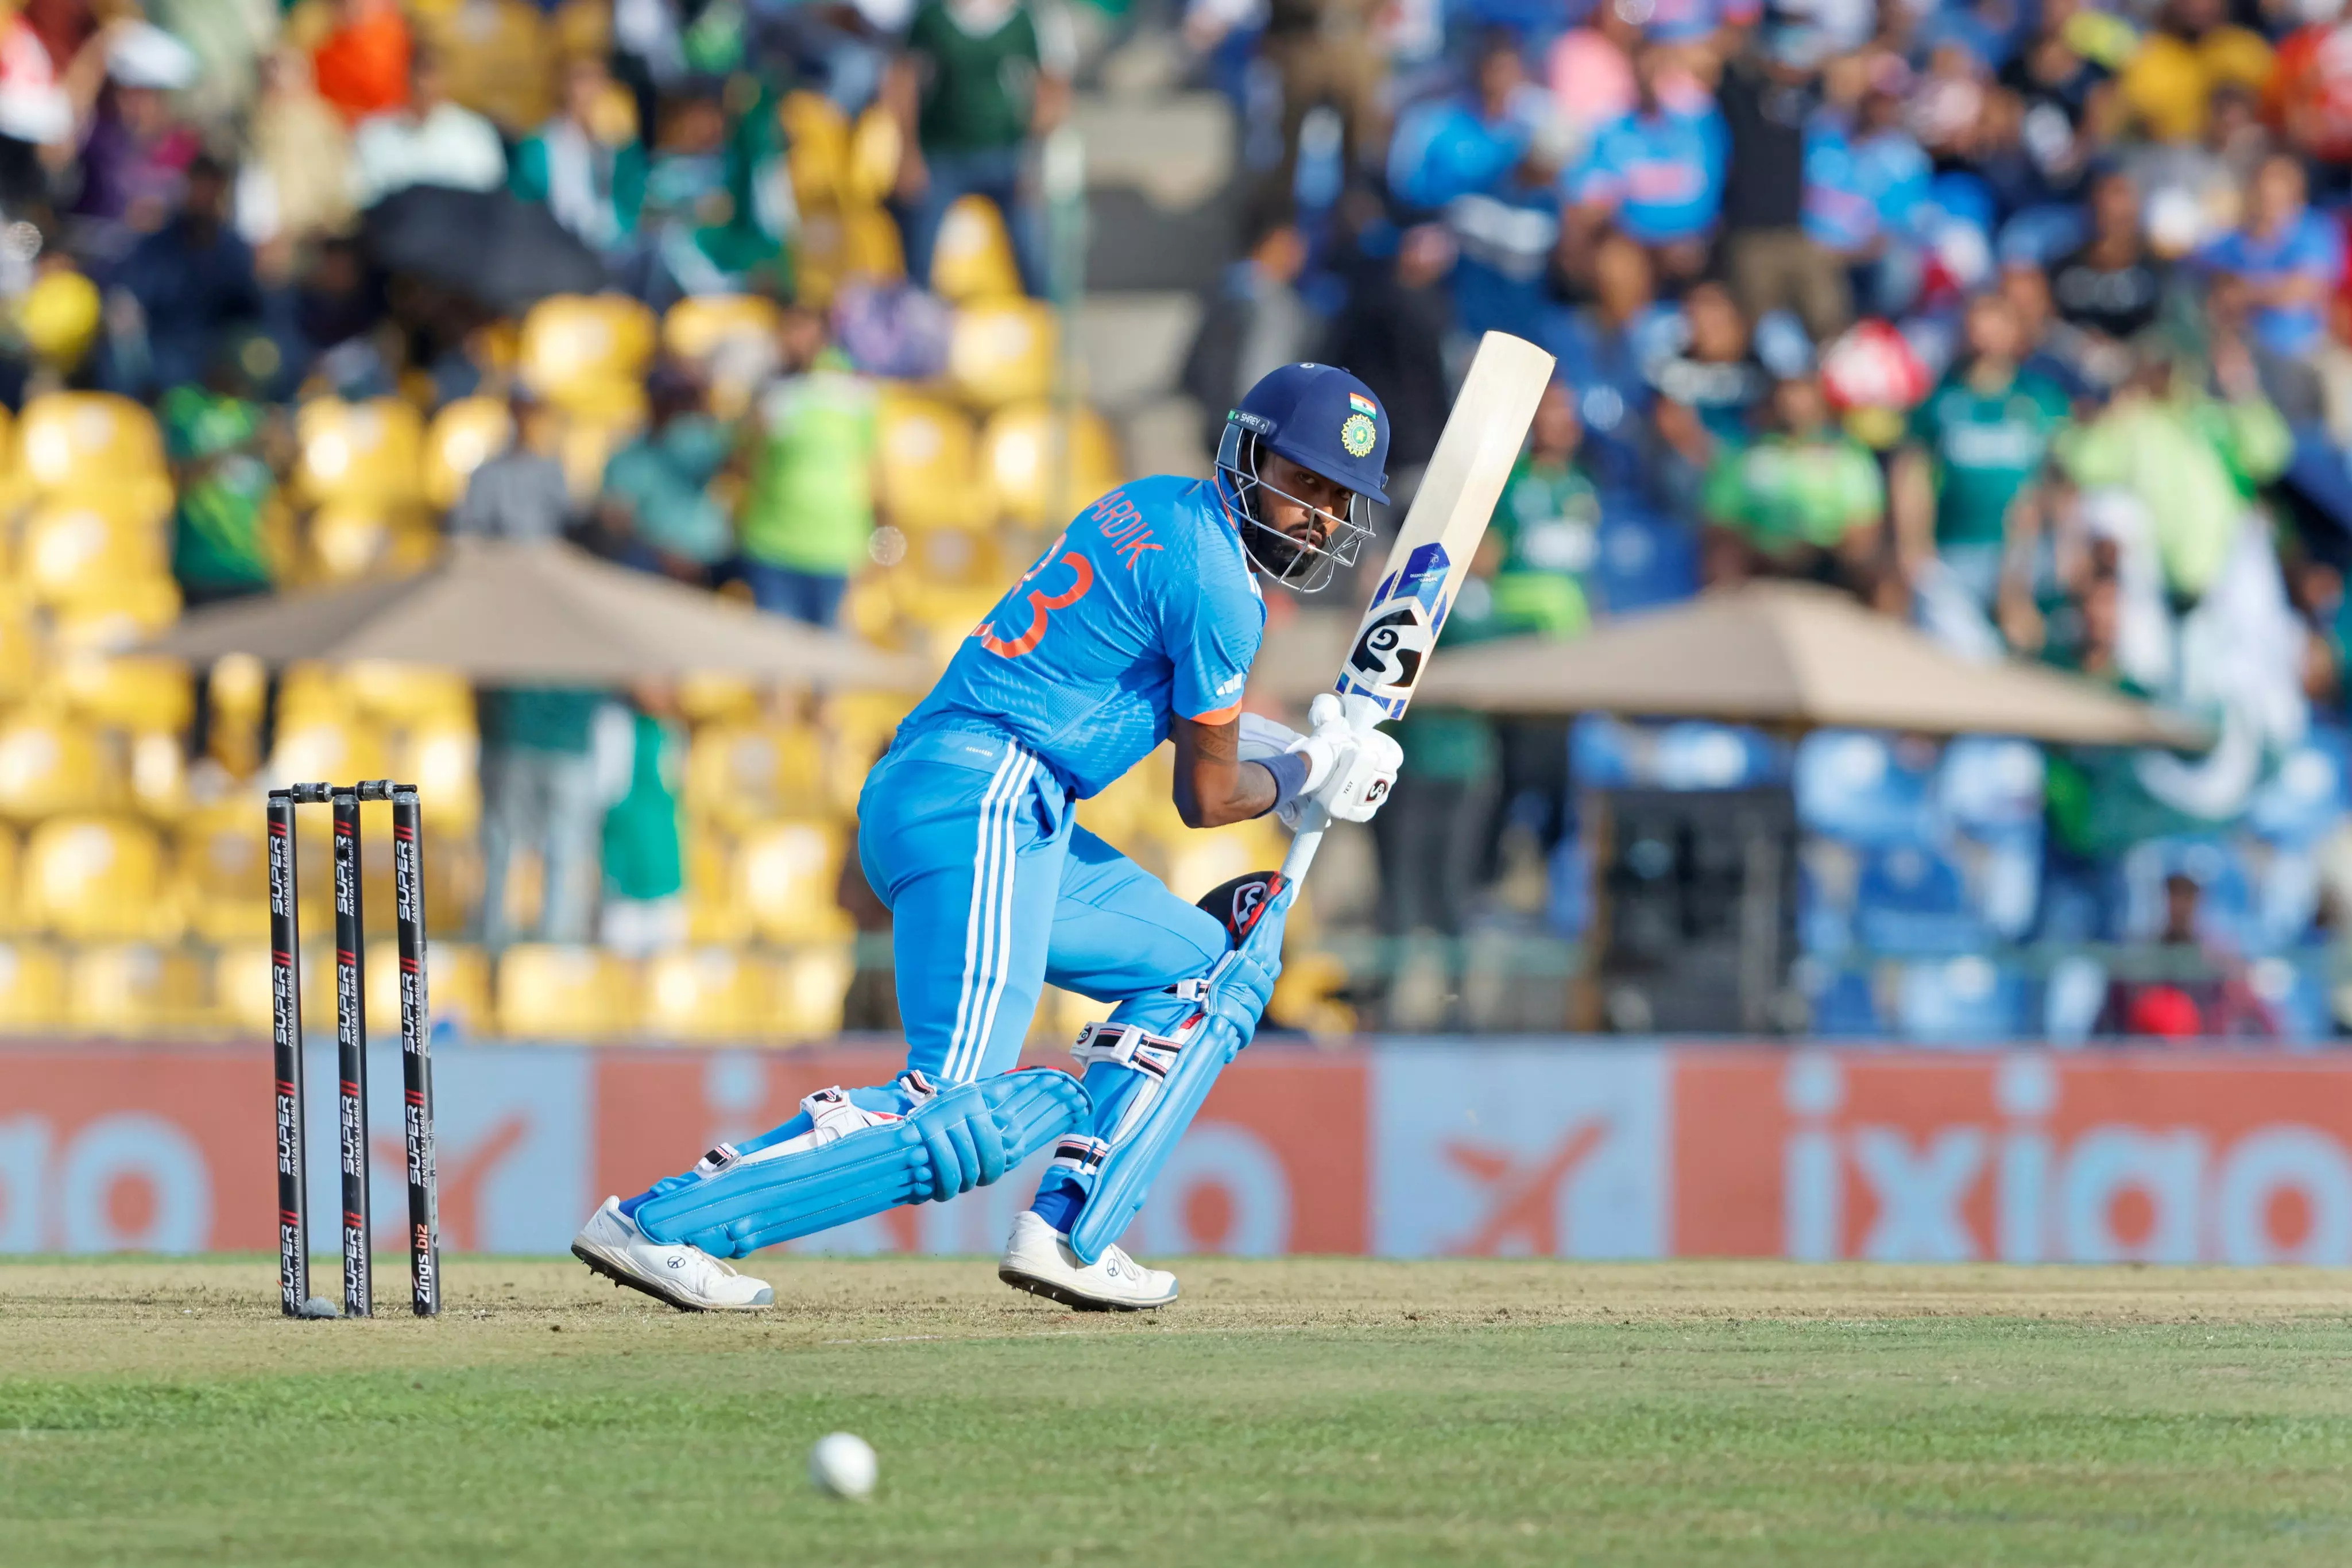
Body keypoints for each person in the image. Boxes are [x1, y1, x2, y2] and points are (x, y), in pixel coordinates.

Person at [569, 361, 1406, 1311]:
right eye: (1305, 483)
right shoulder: (1223, 586)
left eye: (1340, 499)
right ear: (1247, 451)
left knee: (1202, 970)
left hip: (973, 788)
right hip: (990, 798)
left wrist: (1301, 756)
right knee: (949, 1103)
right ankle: (664, 1222)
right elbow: (1208, 799)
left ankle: (1072, 1231)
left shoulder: (1151, 506)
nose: (1322, 517)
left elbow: (1162, 706)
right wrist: (1308, 775)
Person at [1893, 291, 2071, 609]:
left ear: (2016, 332)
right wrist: (1913, 547)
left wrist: (2066, 551)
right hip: (1953, 555)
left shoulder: (2040, 400)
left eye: (1997, 323)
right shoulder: (1940, 401)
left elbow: (2059, 482)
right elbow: (1912, 473)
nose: (1985, 333)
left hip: (2027, 561)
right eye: (1977, 322)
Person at [889, 0, 1073, 297]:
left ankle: (1046, 326)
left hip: (1007, 155)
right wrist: (907, 153)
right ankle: (916, 326)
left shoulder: (1027, 20)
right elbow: (903, 80)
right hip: (941, 155)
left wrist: (1035, 158)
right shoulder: (931, 17)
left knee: (1033, 253)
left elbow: (1051, 89)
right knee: (919, 256)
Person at [736, 305, 880, 626]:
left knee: (825, 660)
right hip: (773, 541)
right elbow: (743, 457)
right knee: (773, 657)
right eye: (786, 330)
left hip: (835, 546)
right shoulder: (771, 391)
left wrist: (883, 539)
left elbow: (877, 469)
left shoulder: (856, 391)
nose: (791, 340)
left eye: (800, 330)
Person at [346, 49, 505, 210]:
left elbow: (485, 196)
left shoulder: (475, 133)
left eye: (432, 74)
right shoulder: (374, 133)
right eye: (418, 73)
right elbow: (361, 195)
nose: (424, 84)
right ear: (404, 77)